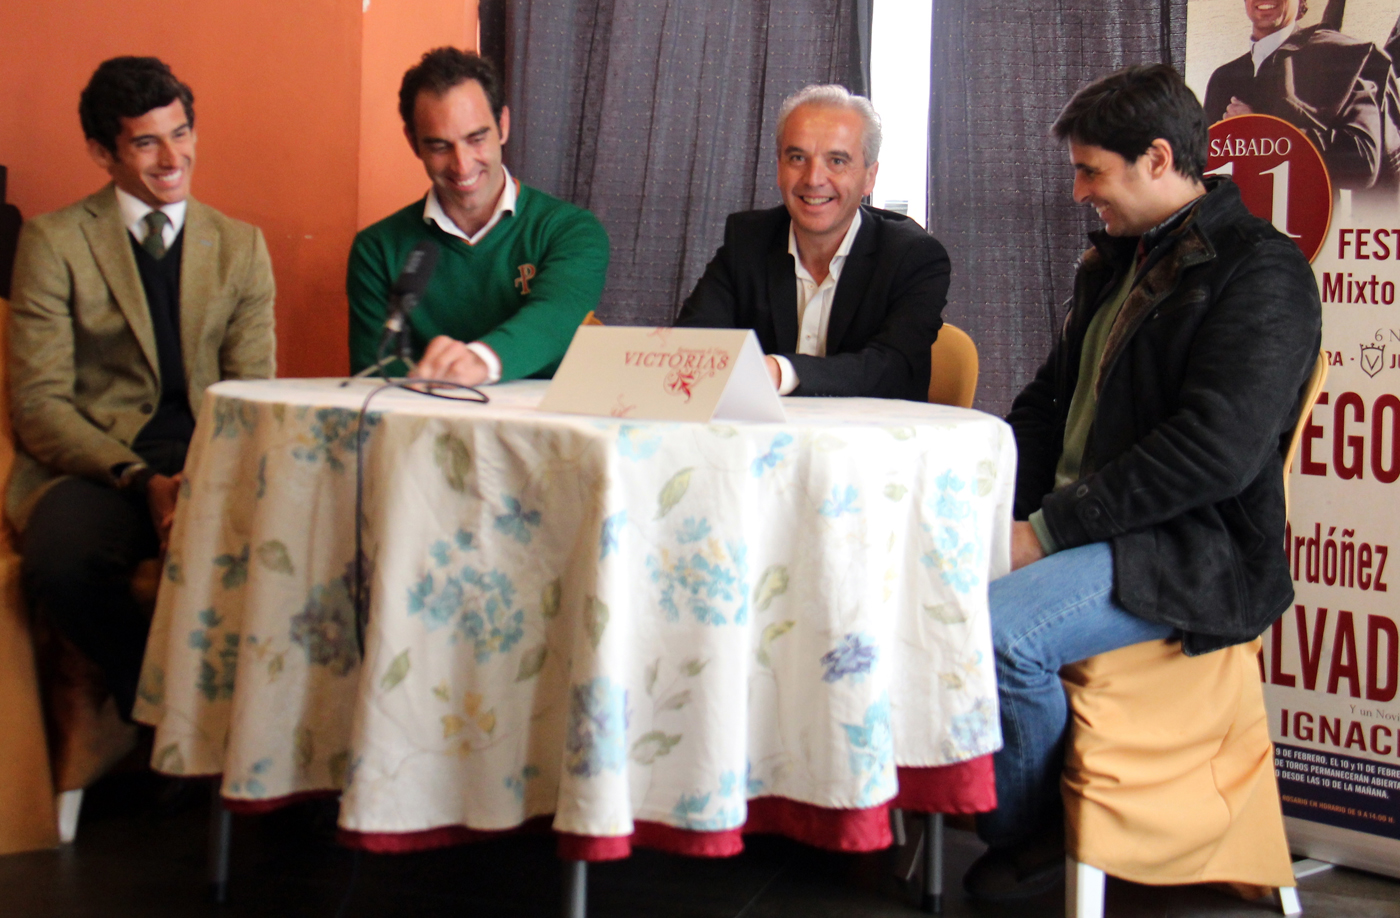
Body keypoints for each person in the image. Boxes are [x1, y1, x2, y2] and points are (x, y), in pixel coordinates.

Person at [964, 64, 1321, 900]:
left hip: (1191, 548)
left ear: (1158, 158)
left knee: (997, 635)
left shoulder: (1262, 274)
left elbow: (1212, 454)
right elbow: (1047, 403)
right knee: (905, 583)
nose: (1082, 191)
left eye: (1093, 171)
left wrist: (1043, 533)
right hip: (1093, 523)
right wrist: (989, 503)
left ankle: (1033, 832)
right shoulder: (1117, 259)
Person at [8, 56, 276, 719]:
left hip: (207, 459)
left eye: (181, 132)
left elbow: (253, 394)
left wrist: (201, 478)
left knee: (293, 556)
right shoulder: (52, 242)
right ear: (102, 152)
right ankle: (160, 719)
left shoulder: (240, 247)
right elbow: (40, 406)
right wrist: (138, 478)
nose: (172, 157)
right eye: (146, 141)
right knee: (60, 565)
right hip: (97, 468)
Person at [348, 48, 609, 385]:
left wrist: (479, 362)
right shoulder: (376, 249)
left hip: (546, 432)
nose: (462, 164)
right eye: (440, 146)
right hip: (427, 427)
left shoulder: (571, 231)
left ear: (502, 125)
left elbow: (554, 317)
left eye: (476, 139)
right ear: (414, 144)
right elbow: (376, 374)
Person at [675, 84, 949, 401]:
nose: (814, 178)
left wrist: (780, 372)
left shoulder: (913, 256)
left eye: (836, 161)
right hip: (759, 442)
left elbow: (892, 369)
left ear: (869, 177)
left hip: (870, 443)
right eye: (797, 157)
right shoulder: (747, 240)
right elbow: (692, 345)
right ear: (779, 169)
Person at [1202, 0, 1400, 195]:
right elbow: (1205, 171)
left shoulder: (1348, 57)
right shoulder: (1224, 77)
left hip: (1315, 222)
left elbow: (1363, 163)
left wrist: (1263, 130)